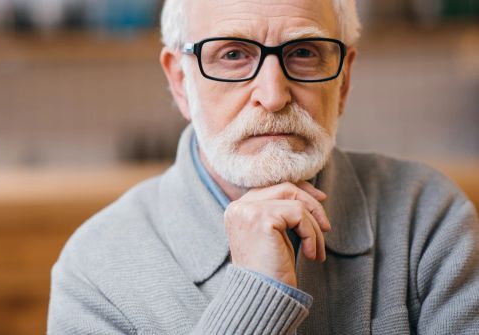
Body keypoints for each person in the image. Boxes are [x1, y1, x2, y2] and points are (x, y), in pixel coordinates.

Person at [47, 0, 479, 333]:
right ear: (181, 82)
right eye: (233, 55)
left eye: (305, 52)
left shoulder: (428, 218)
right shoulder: (95, 270)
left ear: (343, 81)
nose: (273, 96)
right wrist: (256, 293)